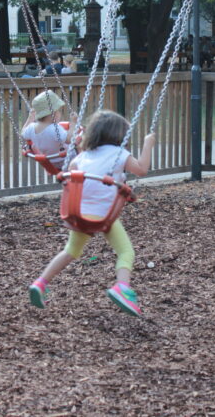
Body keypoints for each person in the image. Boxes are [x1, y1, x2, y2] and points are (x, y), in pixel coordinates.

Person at [28, 110, 156, 317]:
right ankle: (122, 288)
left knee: (71, 251)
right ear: (119, 136)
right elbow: (141, 170)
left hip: (77, 213)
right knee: (126, 252)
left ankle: (40, 283)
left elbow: (71, 171)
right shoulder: (120, 154)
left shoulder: (83, 156)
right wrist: (148, 143)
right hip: (104, 215)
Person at [21, 90, 77, 169]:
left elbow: (23, 132)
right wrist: (73, 123)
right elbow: (70, 139)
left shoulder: (31, 127)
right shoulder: (54, 129)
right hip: (68, 161)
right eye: (58, 111)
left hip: (50, 163)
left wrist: (30, 118)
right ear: (53, 114)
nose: (60, 113)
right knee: (81, 142)